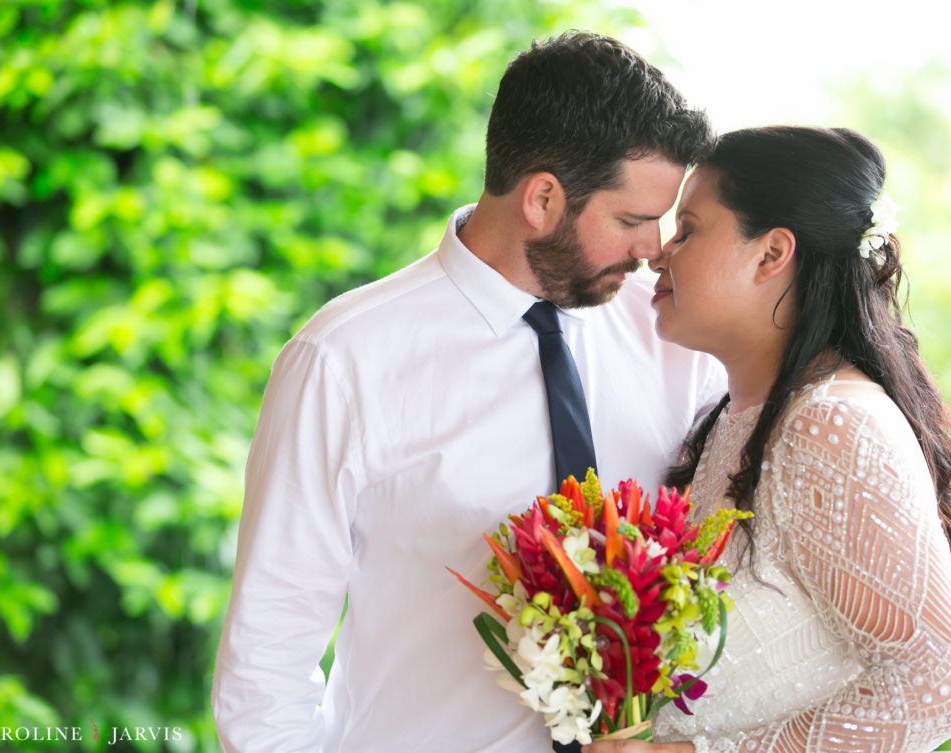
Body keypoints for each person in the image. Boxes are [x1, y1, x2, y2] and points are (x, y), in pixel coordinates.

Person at [211, 32, 725, 753]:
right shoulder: (344, 359)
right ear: (542, 198)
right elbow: (266, 663)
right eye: (633, 221)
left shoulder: (676, 340)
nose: (653, 250)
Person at [583, 127, 951, 753]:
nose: (658, 253)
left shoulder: (833, 425)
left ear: (771, 254)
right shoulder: (740, 417)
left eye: (690, 229)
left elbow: (937, 684)